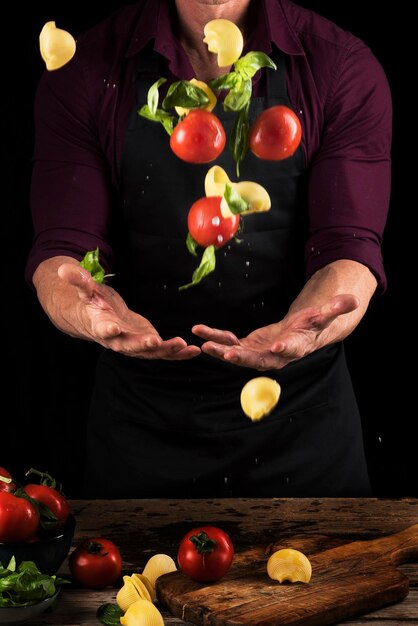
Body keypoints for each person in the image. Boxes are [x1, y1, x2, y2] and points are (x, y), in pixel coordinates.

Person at [26, 0, 392, 498]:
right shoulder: (87, 68)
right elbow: (62, 250)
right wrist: (86, 308)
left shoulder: (339, 64)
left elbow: (349, 249)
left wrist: (308, 324)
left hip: (303, 429)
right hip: (141, 432)